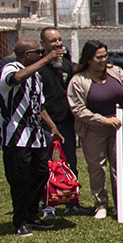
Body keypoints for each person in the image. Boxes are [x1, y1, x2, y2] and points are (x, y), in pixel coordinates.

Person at [0, 40, 65, 236]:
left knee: (41, 173)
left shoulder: (35, 75)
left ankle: (31, 213)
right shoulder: (10, 67)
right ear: (26, 54)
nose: (42, 54)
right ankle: (19, 221)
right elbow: (14, 79)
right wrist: (47, 59)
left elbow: (39, 105)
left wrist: (52, 126)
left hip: (35, 136)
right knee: (20, 179)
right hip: (15, 136)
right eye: (38, 52)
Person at [67, 40, 123, 220]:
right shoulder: (79, 80)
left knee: (119, 166)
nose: (103, 60)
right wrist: (102, 120)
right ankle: (100, 204)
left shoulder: (116, 72)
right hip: (94, 129)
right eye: (98, 57)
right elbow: (78, 109)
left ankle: (119, 203)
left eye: (105, 56)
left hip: (118, 126)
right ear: (89, 59)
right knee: (97, 168)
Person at [38, 27, 89, 216]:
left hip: (66, 123)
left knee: (69, 163)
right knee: (46, 165)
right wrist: (50, 125)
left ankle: (72, 203)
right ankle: (47, 205)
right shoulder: (38, 68)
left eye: (59, 40)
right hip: (45, 124)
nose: (58, 44)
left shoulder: (66, 65)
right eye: (53, 41)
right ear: (43, 43)